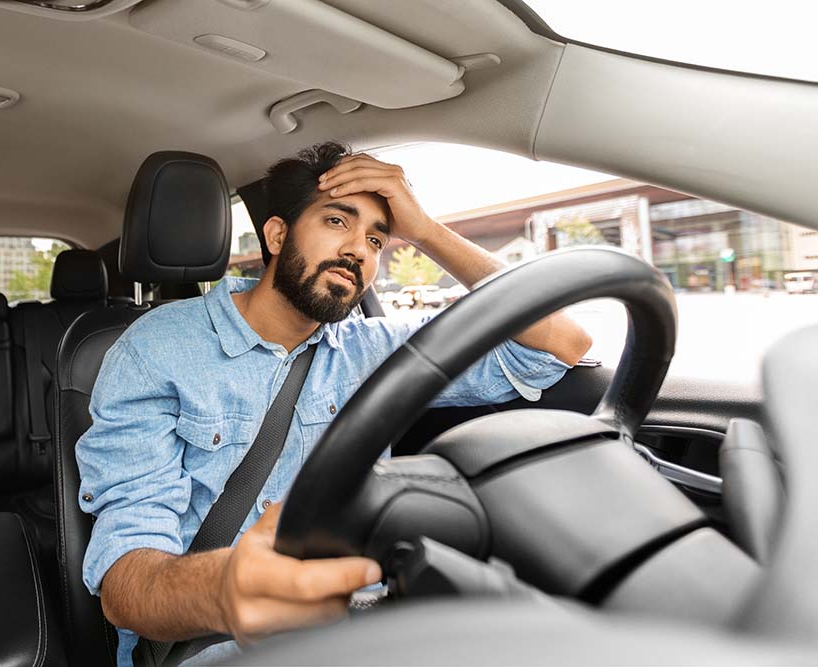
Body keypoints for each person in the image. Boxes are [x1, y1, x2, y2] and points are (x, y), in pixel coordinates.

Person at [76, 142, 593, 665]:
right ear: (277, 235)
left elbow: (560, 344)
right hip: (212, 644)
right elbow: (125, 583)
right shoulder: (155, 349)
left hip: (363, 632)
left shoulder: (374, 349)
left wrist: (426, 231)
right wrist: (222, 589)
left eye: (376, 238)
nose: (359, 250)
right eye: (337, 221)